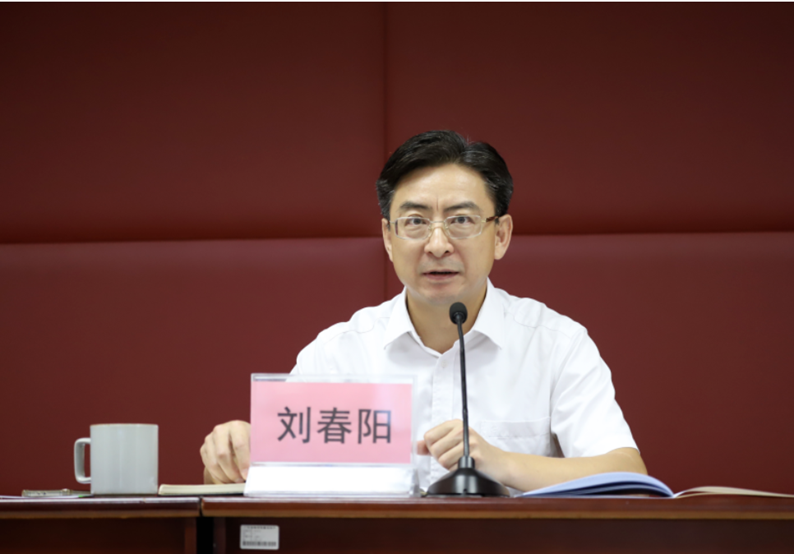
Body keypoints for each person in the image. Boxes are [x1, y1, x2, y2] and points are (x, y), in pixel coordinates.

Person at [201, 130, 646, 491]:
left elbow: (627, 475)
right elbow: (261, 485)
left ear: (501, 235)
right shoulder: (338, 354)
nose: (437, 244)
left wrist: (502, 463)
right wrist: (231, 457)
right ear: (388, 238)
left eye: (461, 220)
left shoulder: (555, 344)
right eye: (415, 222)